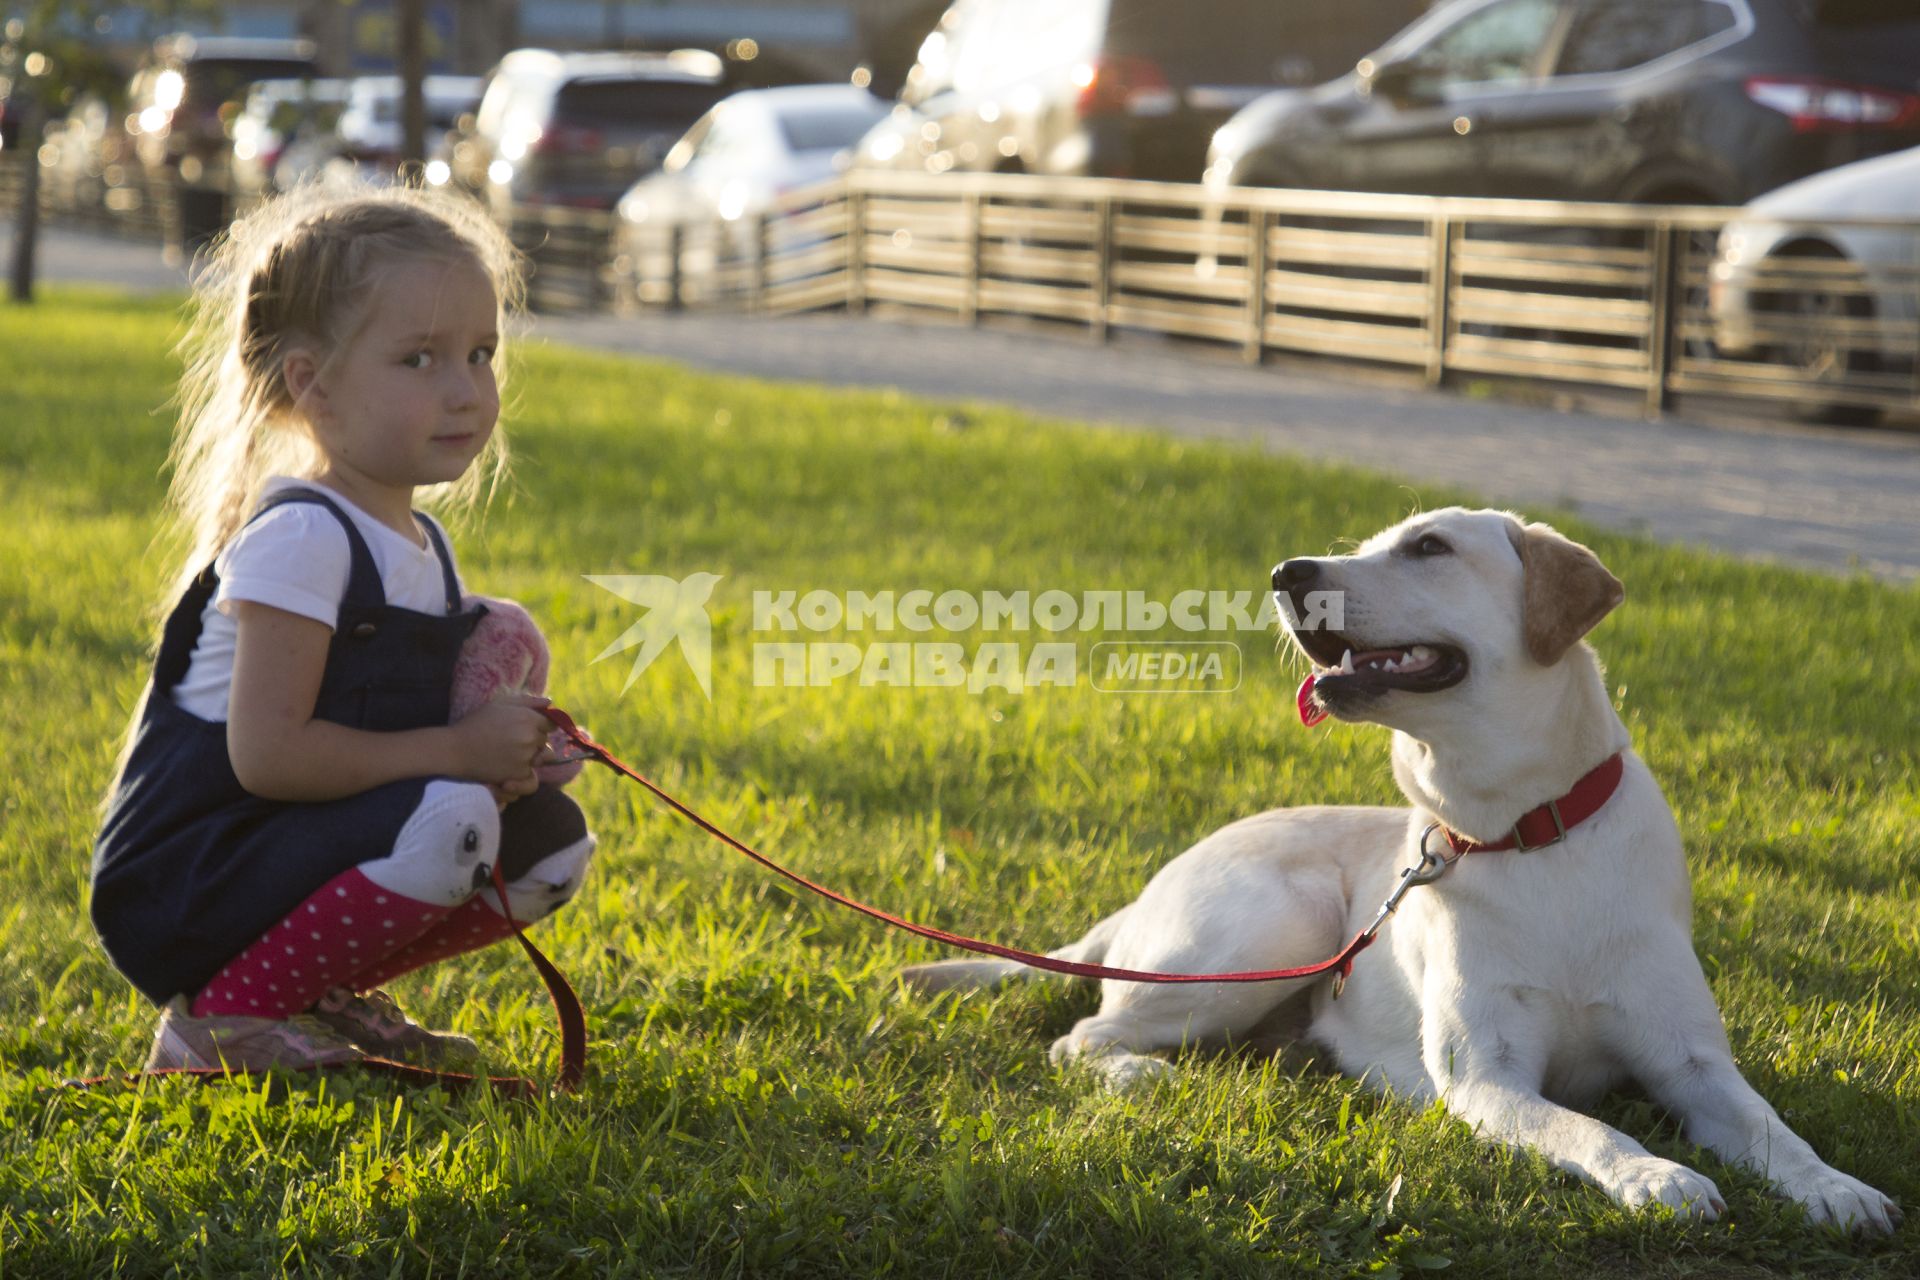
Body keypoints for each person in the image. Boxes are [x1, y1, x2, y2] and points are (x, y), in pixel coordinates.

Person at [91, 180, 597, 1073]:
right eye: (420, 360)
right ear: (311, 386)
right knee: (450, 815)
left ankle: (305, 991)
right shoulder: (300, 538)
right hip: (191, 877)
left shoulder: (421, 543)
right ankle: (219, 1020)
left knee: (551, 846)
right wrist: (458, 753)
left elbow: (414, 738)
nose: (466, 391)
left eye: (480, 354)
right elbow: (271, 758)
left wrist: (510, 757)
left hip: (291, 850)